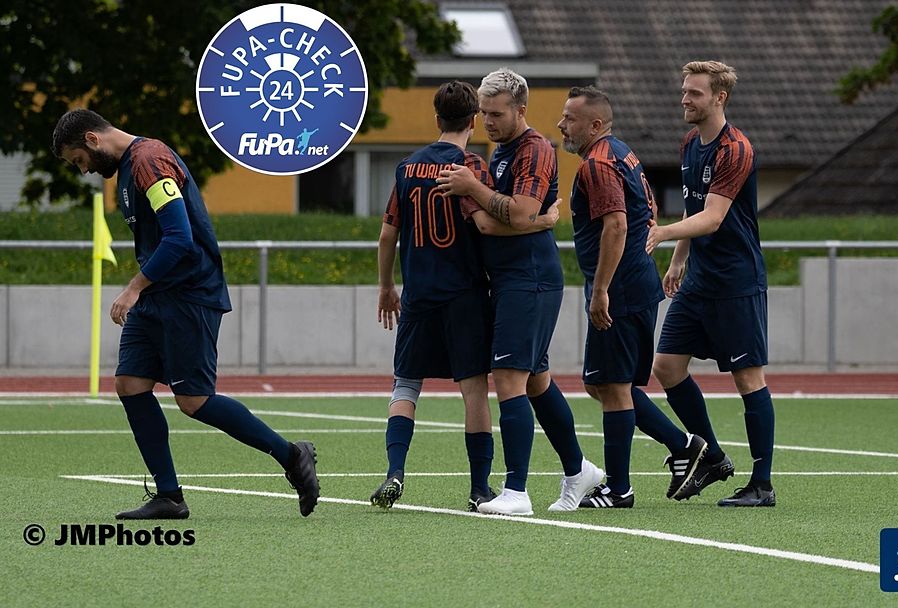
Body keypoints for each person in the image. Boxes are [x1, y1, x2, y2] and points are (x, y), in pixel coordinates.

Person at [52, 109, 319, 519]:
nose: (84, 170)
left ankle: (291, 455)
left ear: (92, 138)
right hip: (158, 297)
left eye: (79, 161)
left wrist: (134, 287)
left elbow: (180, 239)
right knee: (130, 384)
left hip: (188, 295)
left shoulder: (149, 161)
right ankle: (169, 496)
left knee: (193, 401)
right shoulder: (126, 169)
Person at [371, 81, 557, 511]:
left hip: (419, 292)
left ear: (436, 119)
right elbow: (491, 224)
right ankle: (479, 488)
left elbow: (386, 235)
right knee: (473, 391)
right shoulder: (470, 164)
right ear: (473, 120)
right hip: (465, 294)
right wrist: (544, 221)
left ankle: (395, 472)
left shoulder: (407, 167)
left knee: (405, 385)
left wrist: (386, 287)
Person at [438, 68, 602, 516]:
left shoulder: (534, 149)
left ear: (521, 110)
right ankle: (578, 469)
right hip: (513, 278)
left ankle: (515, 491)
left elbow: (520, 211)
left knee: (508, 378)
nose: (487, 121)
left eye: (496, 113)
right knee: (534, 381)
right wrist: (523, 216)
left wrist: (474, 190)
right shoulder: (504, 149)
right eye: (483, 114)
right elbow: (507, 219)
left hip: (529, 278)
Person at [557, 86, 708, 508]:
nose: (561, 124)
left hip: (621, 286)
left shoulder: (598, 164)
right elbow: (642, 212)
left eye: (569, 118)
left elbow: (617, 225)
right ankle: (685, 445)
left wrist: (601, 288)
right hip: (633, 281)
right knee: (602, 383)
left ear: (596, 125)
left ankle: (619, 488)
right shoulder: (621, 152)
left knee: (614, 385)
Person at [645, 61, 776, 506]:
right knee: (666, 367)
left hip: (736, 281)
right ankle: (714, 457)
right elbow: (692, 208)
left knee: (748, 377)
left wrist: (662, 235)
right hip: (700, 281)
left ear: (719, 98)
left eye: (694, 93)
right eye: (684, 91)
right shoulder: (689, 143)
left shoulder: (735, 149)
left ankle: (762, 484)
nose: (685, 99)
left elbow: (715, 217)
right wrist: (679, 261)